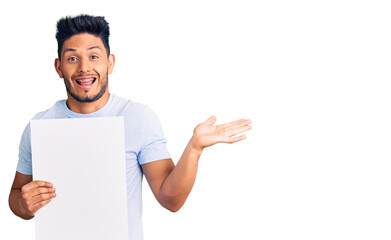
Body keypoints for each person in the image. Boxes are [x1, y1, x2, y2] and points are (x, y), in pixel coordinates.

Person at [8, 14, 252, 239]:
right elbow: (16, 197)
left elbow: (171, 200)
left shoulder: (138, 118)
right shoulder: (40, 125)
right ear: (59, 67)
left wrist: (195, 148)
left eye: (94, 56)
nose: (83, 67)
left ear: (110, 63)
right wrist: (23, 204)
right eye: (72, 58)